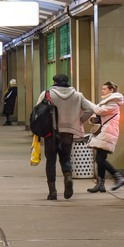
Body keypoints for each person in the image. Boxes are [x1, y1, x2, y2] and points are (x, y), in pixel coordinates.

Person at [37, 73, 97, 201]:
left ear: (54, 81)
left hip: (51, 132)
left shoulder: (46, 94)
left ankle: (52, 191)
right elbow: (90, 110)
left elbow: (38, 111)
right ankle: (68, 176)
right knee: (65, 159)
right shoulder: (77, 95)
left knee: (51, 161)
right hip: (68, 132)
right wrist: (78, 121)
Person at [86, 81, 124, 194]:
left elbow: (100, 111)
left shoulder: (113, 102)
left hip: (108, 132)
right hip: (104, 132)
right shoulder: (107, 101)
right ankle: (100, 185)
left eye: (104, 89)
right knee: (100, 158)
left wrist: (88, 103)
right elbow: (98, 114)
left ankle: (118, 177)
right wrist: (93, 119)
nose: (102, 91)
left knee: (100, 159)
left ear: (111, 90)